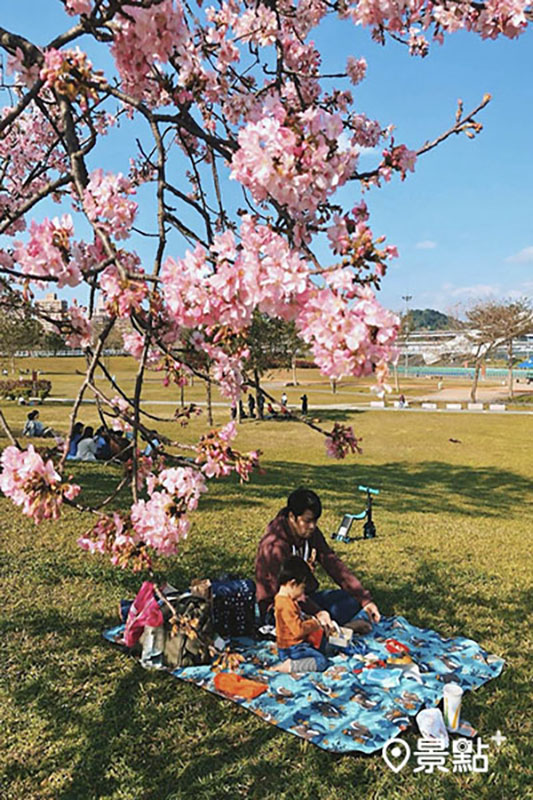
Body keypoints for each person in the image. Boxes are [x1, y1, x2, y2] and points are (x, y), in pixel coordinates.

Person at [255, 487, 380, 631]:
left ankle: (329, 627)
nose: (312, 526)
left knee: (351, 600)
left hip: (305, 598)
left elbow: (333, 563)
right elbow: (282, 594)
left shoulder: (310, 533)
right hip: (280, 607)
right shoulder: (274, 546)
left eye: (315, 521)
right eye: (307, 521)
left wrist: (365, 600)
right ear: (291, 517)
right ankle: (334, 628)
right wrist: (317, 612)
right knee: (302, 622)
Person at [272, 555, 329, 673]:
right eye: (302, 588)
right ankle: (290, 666)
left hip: (295, 646)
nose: (302, 593)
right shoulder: (285, 604)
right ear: (292, 584)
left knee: (322, 644)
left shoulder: (287, 600)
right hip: (292, 649)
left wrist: (307, 618)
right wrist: (315, 623)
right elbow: (297, 631)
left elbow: (295, 619)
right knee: (321, 662)